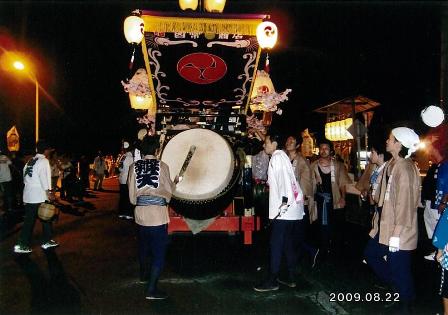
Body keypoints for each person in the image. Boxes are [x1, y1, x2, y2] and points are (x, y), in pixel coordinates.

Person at [364, 127, 421, 313]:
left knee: (400, 267)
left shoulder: (405, 168)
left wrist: (396, 235)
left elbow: (405, 204)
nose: (387, 141)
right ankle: (401, 292)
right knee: (372, 254)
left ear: (398, 144)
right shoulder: (391, 164)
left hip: (400, 229)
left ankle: (405, 303)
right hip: (386, 225)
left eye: (390, 139)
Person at [128, 136, 180, 300]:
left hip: (141, 215)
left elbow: (131, 198)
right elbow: (168, 193)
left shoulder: (133, 167)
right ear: (157, 151)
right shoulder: (162, 166)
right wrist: (175, 183)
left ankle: (144, 276)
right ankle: (152, 290)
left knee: (144, 247)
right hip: (157, 215)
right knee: (158, 253)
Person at [253, 133, 304, 292]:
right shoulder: (281, 156)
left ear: (274, 143)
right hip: (291, 209)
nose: (264, 145)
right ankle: (290, 277)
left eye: (266, 142)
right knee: (287, 242)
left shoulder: (277, 157)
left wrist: (283, 205)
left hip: (285, 210)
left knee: (275, 243)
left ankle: (272, 280)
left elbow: (285, 183)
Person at [13, 140, 58, 254]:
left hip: (29, 193)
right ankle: (21, 244)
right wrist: (49, 192)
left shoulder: (31, 160)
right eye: (50, 150)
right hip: (39, 195)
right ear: (47, 150)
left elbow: (25, 178)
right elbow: (44, 178)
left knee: (44, 219)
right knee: (42, 217)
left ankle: (47, 241)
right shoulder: (43, 161)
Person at [310, 139, 352, 259]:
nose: (323, 151)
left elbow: (342, 183)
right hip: (319, 201)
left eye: (326, 148)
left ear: (331, 151)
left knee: (336, 226)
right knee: (321, 226)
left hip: (335, 200)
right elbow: (308, 184)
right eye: (321, 148)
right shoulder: (313, 166)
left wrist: (343, 198)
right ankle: (323, 249)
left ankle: (335, 251)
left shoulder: (338, 165)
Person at [284, 135, 319, 267]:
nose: (289, 142)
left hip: (298, 203)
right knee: (292, 233)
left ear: (298, 145)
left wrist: (301, 199)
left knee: (296, 233)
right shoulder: (284, 158)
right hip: (288, 201)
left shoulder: (302, 161)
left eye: (292, 141)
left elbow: (306, 183)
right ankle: (297, 257)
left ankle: (308, 252)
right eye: (288, 140)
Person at [422, 124, 448, 260]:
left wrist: (443, 201)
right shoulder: (438, 165)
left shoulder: (445, 165)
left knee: (441, 228)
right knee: (434, 226)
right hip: (435, 202)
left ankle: (441, 252)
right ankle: (439, 251)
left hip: (441, 204)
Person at [118, 142, 134, 220]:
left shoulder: (123, 157)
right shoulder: (130, 157)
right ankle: (128, 213)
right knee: (128, 197)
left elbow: (119, 168)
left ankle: (121, 213)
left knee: (122, 197)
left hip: (122, 179)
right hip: (128, 180)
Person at [0, 149, 13, 213]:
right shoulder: (4, 157)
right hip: (6, 179)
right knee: (7, 194)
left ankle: (5, 208)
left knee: (5, 194)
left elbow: (10, 163)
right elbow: (10, 163)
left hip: (4, 180)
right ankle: (8, 208)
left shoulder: (4, 157)